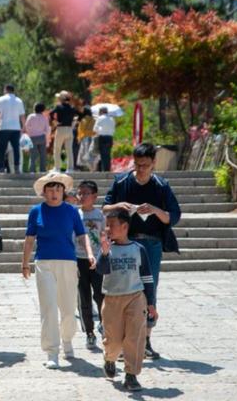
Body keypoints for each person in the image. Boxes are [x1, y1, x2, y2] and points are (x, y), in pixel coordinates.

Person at [103, 142, 181, 359]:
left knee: (149, 289)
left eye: (145, 165)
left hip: (151, 245)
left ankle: (145, 340)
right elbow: (105, 207)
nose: (141, 169)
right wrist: (122, 205)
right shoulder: (122, 182)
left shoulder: (161, 186)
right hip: (124, 243)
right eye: (137, 165)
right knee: (122, 289)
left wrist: (156, 210)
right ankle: (121, 341)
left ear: (154, 163)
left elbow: (173, 216)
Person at [21, 172, 95, 369]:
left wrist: (89, 254)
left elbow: (82, 235)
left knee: (69, 308)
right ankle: (52, 351)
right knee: (48, 308)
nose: (54, 193)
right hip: (44, 263)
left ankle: (67, 340)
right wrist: (25, 263)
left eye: (58, 189)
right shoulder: (36, 211)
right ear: (44, 192)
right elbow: (29, 239)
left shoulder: (71, 211)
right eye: (51, 190)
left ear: (64, 191)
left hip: (68, 263)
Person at [96, 208, 157, 392]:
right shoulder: (107, 248)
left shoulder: (139, 249)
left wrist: (151, 302)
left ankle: (131, 375)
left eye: (111, 225)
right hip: (112, 298)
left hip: (136, 297)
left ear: (124, 226)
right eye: (106, 225)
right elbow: (101, 270)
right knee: (113, 340)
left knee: (134, 337)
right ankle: (110, 358)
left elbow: (147, 277)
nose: (107, 229)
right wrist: (105, 253)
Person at [75, 180, 105, 348]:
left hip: (97, 260)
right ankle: (89, 332)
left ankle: (104, 324)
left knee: (101, 295)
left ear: (94, 196)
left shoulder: (100, 215)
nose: (82, 196)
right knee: (83, 297)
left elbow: (103, 236)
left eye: (86, 193)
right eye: (80, 193)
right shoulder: (74, 214)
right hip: (79, 260)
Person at [0, 84, 26, 173]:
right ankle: (16, 167)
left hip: (4, 127)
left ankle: (1, 168)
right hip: (16, 128)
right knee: (16, 149)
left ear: (6, 90)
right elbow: (22, 115)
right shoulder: (19, 100)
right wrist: (23, 126)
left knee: (2, 149)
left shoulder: (1, 99)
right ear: (13, 90)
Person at [50, 91, 78, 172]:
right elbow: (76, 116)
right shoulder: (72, 108)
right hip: (69, 129)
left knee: (57, 148)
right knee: (69, 150)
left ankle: (57, 168)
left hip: (61, 129)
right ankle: (70, 168)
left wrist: (54, 121)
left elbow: (51, 113)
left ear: (62, 99)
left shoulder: (59, 107)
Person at [25, 103, 50, 172]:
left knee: (33, 156)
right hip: (42, 137)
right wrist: (47, 139)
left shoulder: (31, 116)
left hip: (33, 137)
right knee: (43, 155)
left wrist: (29, 133)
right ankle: (42, 170)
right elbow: (47, 129)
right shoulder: (45, 117)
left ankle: (32, 171)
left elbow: (27, 126)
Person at [94, 107, 115, 172]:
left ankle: (103, 170)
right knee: (108, 154)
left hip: (102, 137)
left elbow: (95, 129)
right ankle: (107, 169)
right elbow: (113, 128)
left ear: (101, 112)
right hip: (110, 138)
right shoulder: (112, 119)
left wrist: (99, 131)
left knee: (103, 154)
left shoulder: (99, 118)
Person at [77, 107, 97, 171]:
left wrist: (79, 138)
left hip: (85, 138)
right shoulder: (94, 119)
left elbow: (80, 130)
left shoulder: (83, 120)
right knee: (90, 153)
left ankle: (88, 168)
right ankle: (92, 168)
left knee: (84, 153)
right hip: (93, 137)